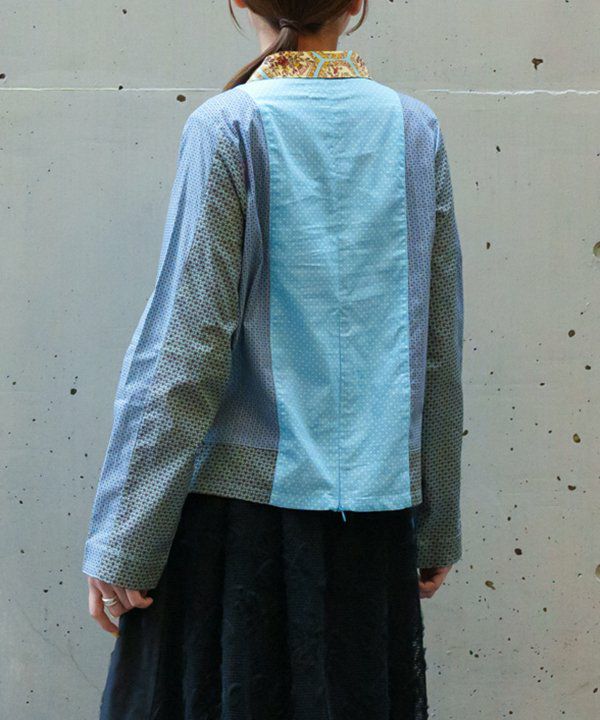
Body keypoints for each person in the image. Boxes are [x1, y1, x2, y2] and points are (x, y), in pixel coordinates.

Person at [81, 0, 465, 717]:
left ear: (240, 1)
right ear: (355, 4)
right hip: (373, 529)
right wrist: (436, 518)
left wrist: (125, 538)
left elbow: (186, 346)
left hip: (237, 538)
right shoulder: (415, 130)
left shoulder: (228, 126)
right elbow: (436, 349)